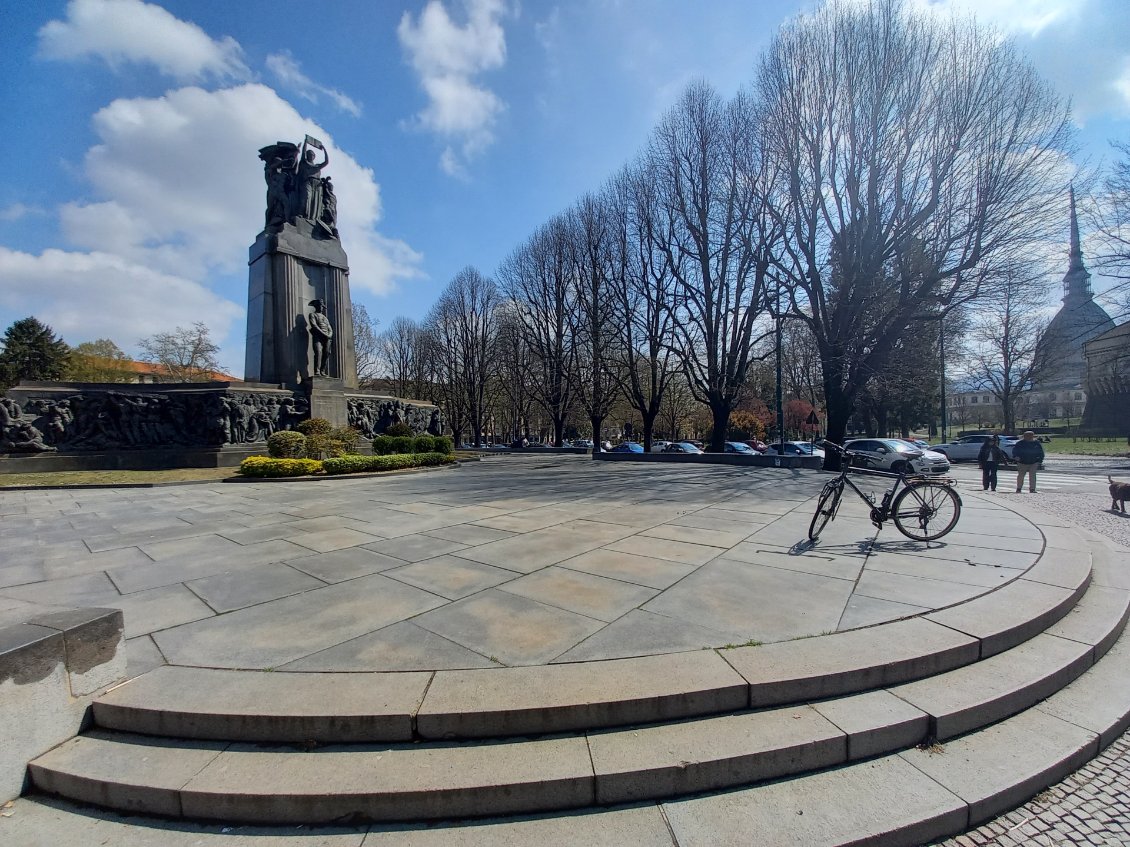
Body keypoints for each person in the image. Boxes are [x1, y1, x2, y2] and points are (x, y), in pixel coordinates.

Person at [308, 299, 333, 377]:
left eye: (322, 306)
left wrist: (329, 335)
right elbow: (314, 326)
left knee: (326, 353)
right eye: (319, 306)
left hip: (327, 338)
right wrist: (324, 334)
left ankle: (322, 371)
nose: (321, 308)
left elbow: (330, 328)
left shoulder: (325, 318)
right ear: (316, 306)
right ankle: (317, 371)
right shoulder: (312, 315)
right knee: (318, 352)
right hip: (318, 337)